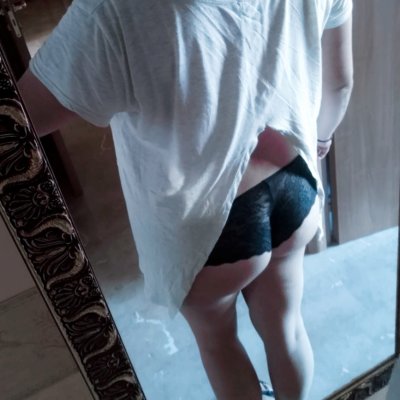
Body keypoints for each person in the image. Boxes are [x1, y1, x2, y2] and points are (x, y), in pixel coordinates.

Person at [18, 0, 353, 399]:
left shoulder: (111, 9)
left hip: (204, 220)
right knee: (287, 327)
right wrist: (322, 137)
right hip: (292, 181)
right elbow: (340, 83)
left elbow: (19, 119)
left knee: (219, 344)